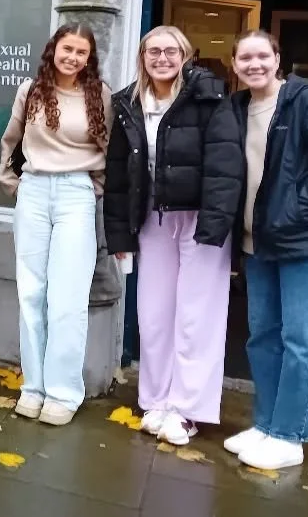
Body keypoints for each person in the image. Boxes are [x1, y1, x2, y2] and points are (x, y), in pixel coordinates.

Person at [223, 30, 308, 471]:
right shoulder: (238, 108)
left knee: (301, 338)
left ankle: (291, 434)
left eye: (263, 55)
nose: (254, 64)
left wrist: (288, 213)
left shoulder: (306, 100)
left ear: (277, 59)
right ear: (235, 64)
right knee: (262, 336)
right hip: (258, 245)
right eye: (245, 57)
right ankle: (266, 424)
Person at [104, 25, 242, 446]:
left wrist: (216, 223)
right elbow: (117, 176)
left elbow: (225, 163)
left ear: (186, 55)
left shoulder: (209, 96)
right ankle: (157, 400)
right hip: (152, 218)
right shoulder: (128, 102)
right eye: (153, 51)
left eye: (171, 51)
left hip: (199, 218)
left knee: (196, 317)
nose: (162, 58)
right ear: (142, 57)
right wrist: (120, 237)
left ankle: (188, 410)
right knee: (154, 314)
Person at [0, 23, 112, 426]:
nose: (73, 57)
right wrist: (13, 183)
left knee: (67, 297)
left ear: (89, 57)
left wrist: (91, 187)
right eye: (67, 49)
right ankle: (34, 387)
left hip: (76, 196)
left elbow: (110, 150)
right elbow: (11, 140)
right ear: (54, 49)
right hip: (33, 190)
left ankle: (63, 392)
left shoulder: (99, 95)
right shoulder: (31, 91)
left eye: (81, 52)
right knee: (31, 292)